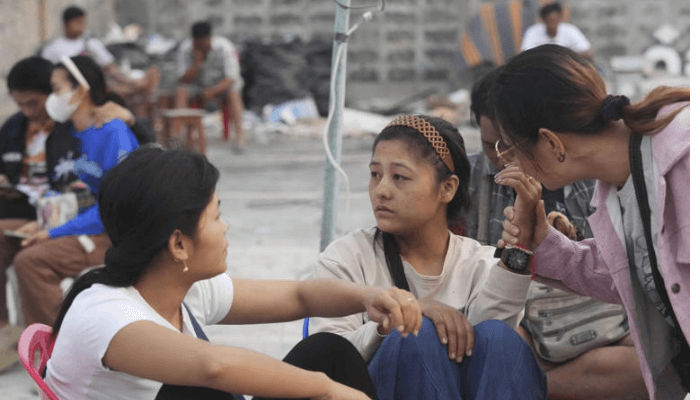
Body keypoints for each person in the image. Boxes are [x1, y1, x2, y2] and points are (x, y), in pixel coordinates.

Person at [44, 146, 423, 400]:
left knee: (329, 352)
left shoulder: (183, 288)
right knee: (200, 390)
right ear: (179, 244)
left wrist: (369, 296)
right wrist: (328, 391)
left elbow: (299, 297)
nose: (226, 227)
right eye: (216, 216)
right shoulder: (105, 313)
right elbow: (216, 367)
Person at [492, 44, 689, 398]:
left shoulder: (686, 157)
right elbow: (635, 275)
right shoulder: (617, 189)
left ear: (550, 142)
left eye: (510, 148)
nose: (511, 163)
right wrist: (542, 242)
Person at [309, 115, 547, 399]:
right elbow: (327, 358)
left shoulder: (478, 262)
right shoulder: (347, 258)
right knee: (416, 332)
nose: (381, 190)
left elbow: (492, 354)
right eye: (375, 174)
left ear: (447, 188)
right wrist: (404, 314)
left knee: (498, 338)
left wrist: (520, 244)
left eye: (399, 177)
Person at [467, 68, 647, 399]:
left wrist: (555, 242)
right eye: (492, 147)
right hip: (533, 318)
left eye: (511, 146)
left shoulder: (624, 174)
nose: (505, 159)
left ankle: (529, 385)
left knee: (653, 356)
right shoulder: (469, 179)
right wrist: (535, 246)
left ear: (549, 140)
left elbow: (630, 273)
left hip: (592, 313)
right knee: (498, 346)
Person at [0, 56, 152, 372]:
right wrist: (43, 222)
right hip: (81, 220)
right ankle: (12, 333)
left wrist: (52, 232)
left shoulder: (112, 131)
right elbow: (68, 190)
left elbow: (116, 205)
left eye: (56, 88)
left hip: (114, 232)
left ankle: (65, 359)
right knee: (9, 238)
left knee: (32, 260)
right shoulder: (70, 134)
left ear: (79, 91)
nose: (52, 98)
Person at [41, 5, 160, 106]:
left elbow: (110, 67)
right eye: (78, 22)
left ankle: (135, 85)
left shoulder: (90, 43)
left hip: (95, 85)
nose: (82, 26)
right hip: (70, 87)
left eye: (83, 22)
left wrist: (127, 80)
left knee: (113, 83)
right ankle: (137, 87)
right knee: (114, 90)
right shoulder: (53, 48)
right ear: (66, 24)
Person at [175, 21, 245, 151]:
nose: (200, 46)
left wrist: (213, 91)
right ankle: (180, 136)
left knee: (234, 93)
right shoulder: (186, 48)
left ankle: (239, 136)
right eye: (197, 42)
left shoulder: (225, 47)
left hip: (221, 86)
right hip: (198, 86)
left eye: (203, 42)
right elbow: (183, 79)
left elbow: (232, 78)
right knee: (181, 91)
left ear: (209, 38)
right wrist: (197, 63)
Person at [520, 2, 593, 61]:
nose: (552, 24)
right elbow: (524, 55)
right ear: (543, 20)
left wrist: (563, 58)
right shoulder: (533, 32)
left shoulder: (571, 30)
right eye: (549, 21)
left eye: (555, 20)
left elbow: (588, 54)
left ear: (560, 18)